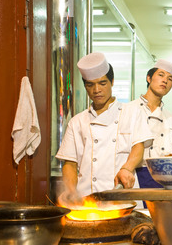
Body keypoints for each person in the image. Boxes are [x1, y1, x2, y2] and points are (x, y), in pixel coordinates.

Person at [56, 52, 154, 200]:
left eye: (102, 83)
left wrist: (127, 168)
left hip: (122, 194)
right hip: (86, 198)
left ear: (112, 81)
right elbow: (70, 162)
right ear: (85, 86)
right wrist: (70, 190)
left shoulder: (132, 112)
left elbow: (138, 147)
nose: (96, 90)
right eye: (90, 85)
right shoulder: (77, 122)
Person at [130, 59, 172, 188]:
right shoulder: (129, 109)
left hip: (166, 178)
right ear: (149, 78)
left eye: (170, 79)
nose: (165, 80)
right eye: (161, 75)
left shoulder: (170, 117)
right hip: (137, 175)